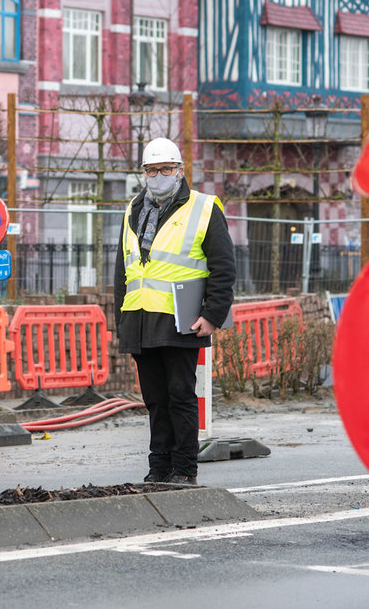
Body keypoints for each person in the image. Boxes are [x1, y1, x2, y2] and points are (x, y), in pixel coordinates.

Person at [114, 137, 235, 486]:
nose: (158, 175)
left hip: (182, 320)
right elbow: (123, 269)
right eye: (151, 170)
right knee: (154, 400)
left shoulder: (204, 207)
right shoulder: (133, 210)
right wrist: (122, 319)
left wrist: (213, 314)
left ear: (179, 171)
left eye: (165, 169)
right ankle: (158, 467)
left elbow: (223, 266)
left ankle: (183, 469)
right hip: (140, 319)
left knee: (180, 396)